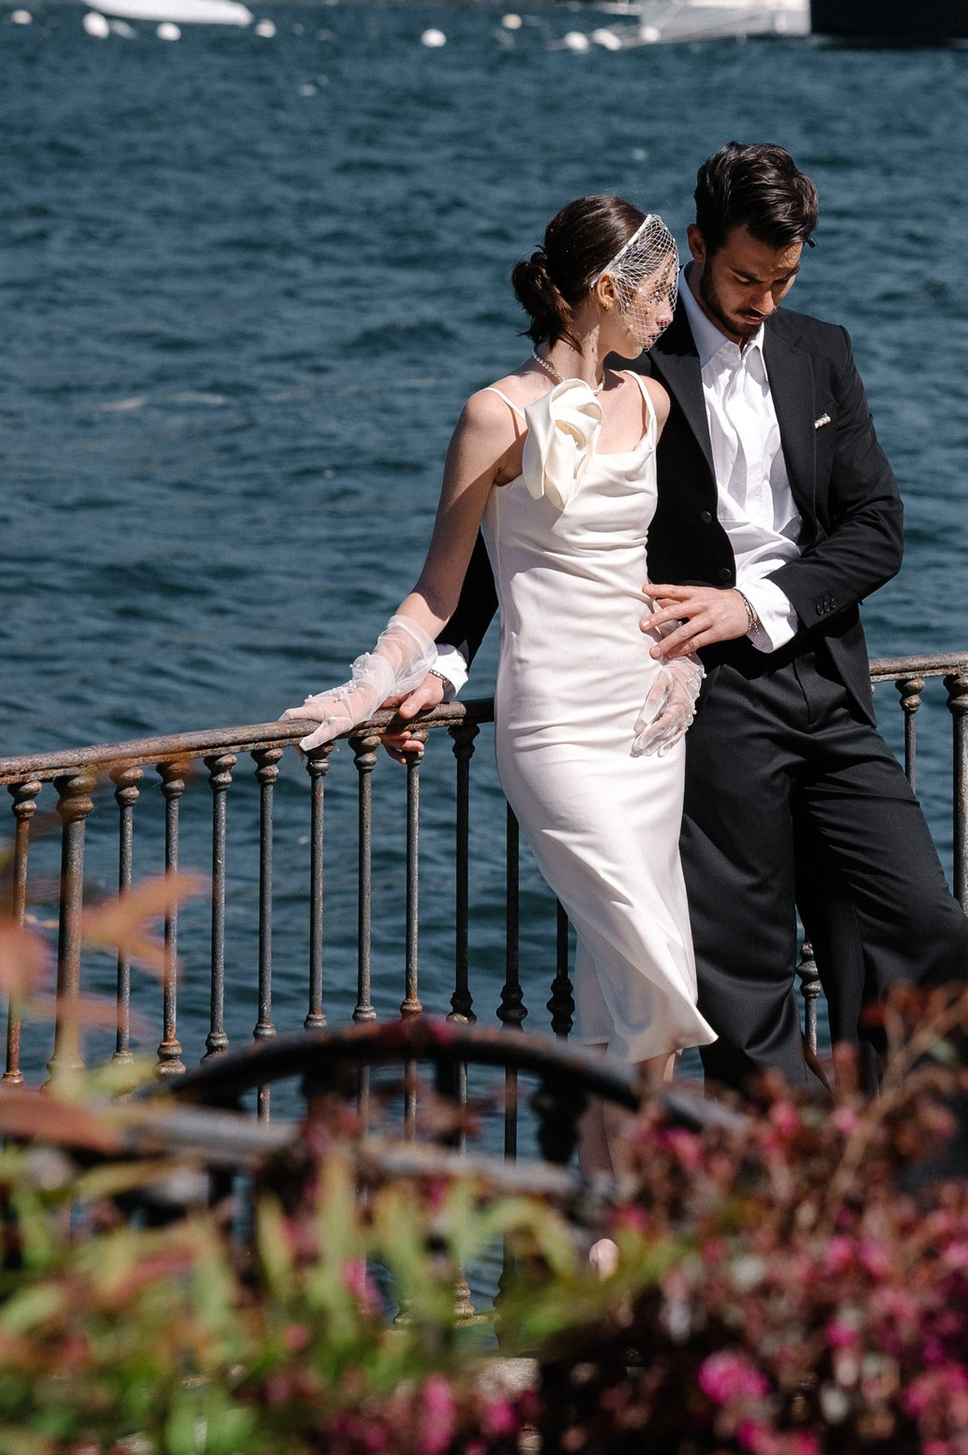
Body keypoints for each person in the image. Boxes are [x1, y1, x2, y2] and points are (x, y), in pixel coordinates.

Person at [447, 141, 968, 1175]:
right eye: (746, 278)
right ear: (696, 246)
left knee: (923, 925)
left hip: (821, 674)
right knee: (744, 982)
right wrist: (439, 661)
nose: (763, 302)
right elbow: (513, 533)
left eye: (784, 280)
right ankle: (797, 1207)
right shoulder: (633, 365)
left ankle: (938, 1209)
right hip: (696, 692)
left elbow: (877, 527)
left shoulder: (821, 350)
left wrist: (756, 605)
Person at [284, 196, 712, 1154]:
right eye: (655, 293)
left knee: (621, 986)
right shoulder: (495, 414)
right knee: (658, 969)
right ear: (606, 291)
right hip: (556, 728)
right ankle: (632, 1204)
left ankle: (608, 1207)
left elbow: (653, 566)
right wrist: (370, 683)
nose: (668, 312)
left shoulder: (651, 401)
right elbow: (440, 588)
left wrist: (684, 660)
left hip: (648, 723)